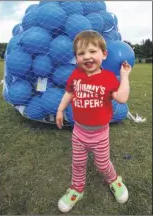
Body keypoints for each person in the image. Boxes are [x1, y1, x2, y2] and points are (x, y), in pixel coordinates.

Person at [56, 30, 132, 213]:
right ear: (75, 57)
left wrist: (124, 76)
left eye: (92, 51)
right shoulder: (75, 75)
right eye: (81, 53)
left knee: (102, 163)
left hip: (100, 134)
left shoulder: (107, 78)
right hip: (79, 132)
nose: (87, 57)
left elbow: (121, 98)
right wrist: (59, 110)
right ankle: (76, 189)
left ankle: (114, 180)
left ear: (104, 54)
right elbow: (69, 93)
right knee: (78, 163)